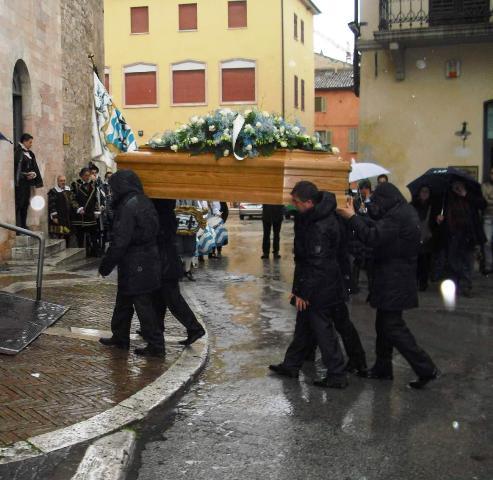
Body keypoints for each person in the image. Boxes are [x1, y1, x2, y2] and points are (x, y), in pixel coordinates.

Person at [338, 182, 439, 389]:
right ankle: (383, 368)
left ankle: (426, 368)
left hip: (395, 279)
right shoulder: (402, 211)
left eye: (377, 201)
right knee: (383, 325)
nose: (376, 205)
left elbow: (373, 236)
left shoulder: (399, 216)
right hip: (394, 277)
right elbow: (378, 226)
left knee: (393, 327)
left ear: (387, 199)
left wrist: (352, 218)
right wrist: (358, 215)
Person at [269, 181, 349, 389]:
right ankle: (291, 364)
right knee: (303, 326)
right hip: (315, 282)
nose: (293, 205)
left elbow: (316, 263)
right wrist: (298, 290)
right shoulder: (312, 217)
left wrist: (303, 292)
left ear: (309, 202)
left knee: (323, 329)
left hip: (321, 285)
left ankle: (337, 374)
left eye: (296, 202)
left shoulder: (319, 225)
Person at [99, 170, 164, 357]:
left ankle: (156, 345)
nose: (111, 192)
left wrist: (106, 265)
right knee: (123, 302)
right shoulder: (143, 200)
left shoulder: (128, 206)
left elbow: (120, 241)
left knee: (143, 306)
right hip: (143, 261)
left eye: (113, 188)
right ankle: (120, 337)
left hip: (136, 263)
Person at [153, 199, 206, 345]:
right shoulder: (167, 214)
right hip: (167, 263)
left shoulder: (163, 216)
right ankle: (155, 330)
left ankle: (194, 328)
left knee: (172, 299)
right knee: (160, 298)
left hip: (166, 264)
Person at [437, 180, 486, 297]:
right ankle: (457, 284)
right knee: (453, 260)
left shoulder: (471, 193)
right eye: (455, 185)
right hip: (453, 232)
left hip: (468, 233)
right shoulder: (447, 196)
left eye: (459, 185)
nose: (457, 187)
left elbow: (482, 204)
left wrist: (465, 194)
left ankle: (466, 285)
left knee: (467, 260)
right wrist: (439, 217)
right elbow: (441, 210)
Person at [14, 133, 43, 229]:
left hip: (27, 184)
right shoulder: (18, 152)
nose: (31, 144)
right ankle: (15, 227)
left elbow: (34, 167)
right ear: (24, 141)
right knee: (19, 203)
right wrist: (25, 175)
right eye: (30, 142)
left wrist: (34, 174)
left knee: (26, 204)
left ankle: (23, 226)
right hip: (20, 183)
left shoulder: (30, 153)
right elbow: (15, 169)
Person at [410, 185, 436, 291]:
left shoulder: (433, 206)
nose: (424, 194)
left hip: (427, 238)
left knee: (425, 261)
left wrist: (437, 221)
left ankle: (423, 282)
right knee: (416, 260)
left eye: (427, 192)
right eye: (423, 191)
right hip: (415, 236)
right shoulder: (413, 205)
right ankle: (415, 280)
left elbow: (434, 224)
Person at [175, 199, 207, 280]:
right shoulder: (173, 195)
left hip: (190, 227)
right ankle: (179, 271)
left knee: (189, 249)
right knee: (178, 250)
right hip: (177, 227)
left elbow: (197, 209)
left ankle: (187, 271)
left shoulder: (192, 196)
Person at [48, 175, 72, 247]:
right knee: (59, 234)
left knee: (67, 234)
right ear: (57, 181)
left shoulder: (68, 190)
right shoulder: (53, 191)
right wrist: (54, 216)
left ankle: (67, 248)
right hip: (59, 217)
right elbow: (52, 204)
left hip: (67, 217)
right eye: (61, 181)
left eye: (64, 180)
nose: (63, 182)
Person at [481, 166, 493, 274]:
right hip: (488, 216)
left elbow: (488, 200)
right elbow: (484, 200)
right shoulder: (485, 186)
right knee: (487, 242)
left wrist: (490, 199)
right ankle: (488, 265)